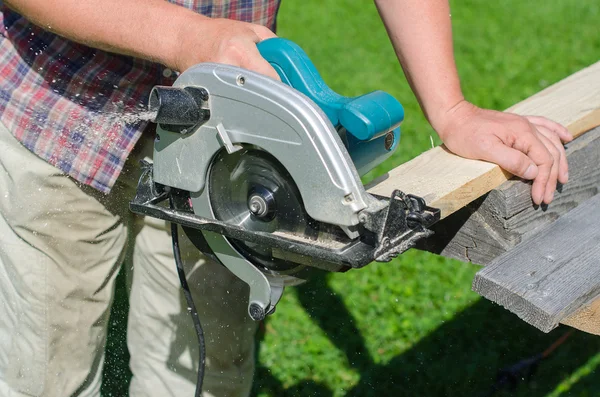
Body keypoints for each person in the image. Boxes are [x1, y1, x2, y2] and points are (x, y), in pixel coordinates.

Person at [0, 0, 572, 396]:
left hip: (234, 129)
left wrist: (450, 108)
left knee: (207, 370)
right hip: (66, 109)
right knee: (46, 368)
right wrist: (187, 37)